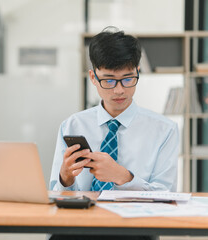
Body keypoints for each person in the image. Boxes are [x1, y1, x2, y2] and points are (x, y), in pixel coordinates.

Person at [49, 27, 179, 240]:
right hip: (78, 226)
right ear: (93, 77)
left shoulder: (165, 130)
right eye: (108, 80)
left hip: (135, 228)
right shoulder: (72, 125)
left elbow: (166, 198)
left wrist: (123, 176)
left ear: (138, 72)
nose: (119, 90)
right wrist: (65, 178)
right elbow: (55, 194)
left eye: (127, 79)